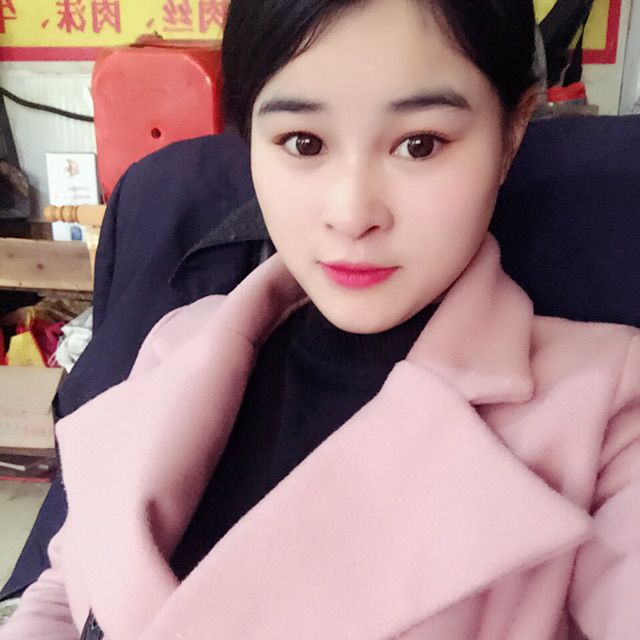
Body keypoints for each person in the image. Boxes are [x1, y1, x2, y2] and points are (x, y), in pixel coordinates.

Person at [3, 0, 640, 638]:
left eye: (419, 145)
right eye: (303, 143)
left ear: (512, 132)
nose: (352, 213)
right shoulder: (181, 339)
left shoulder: (608, 411)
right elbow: (64, 591)